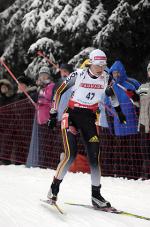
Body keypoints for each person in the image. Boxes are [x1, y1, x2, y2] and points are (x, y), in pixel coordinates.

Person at [46, 49, 126, 208]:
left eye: (103, 64)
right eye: (98, 64)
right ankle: (54, 189)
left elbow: (111, 94)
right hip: (72, 115)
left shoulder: (106, 77)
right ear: (91, 62)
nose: (101, 68)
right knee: (71, 155)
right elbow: (59, 92)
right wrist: (53, 113)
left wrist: (119, 112)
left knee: (95, 157)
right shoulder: (78, 75)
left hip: (89, 118)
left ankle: (96, 195)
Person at [137, 62, 150, 179]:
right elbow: (138, 103)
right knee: (144, 150)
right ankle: (145, 174)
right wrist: (133, 98)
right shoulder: (143, 87)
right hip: (143, 123)